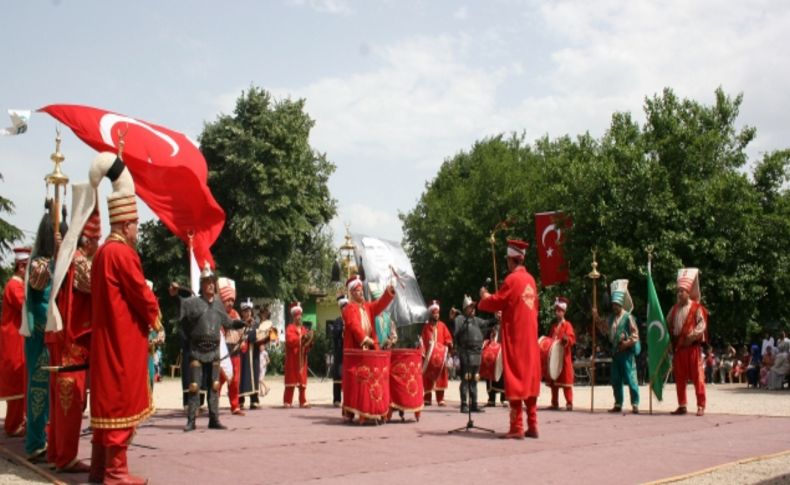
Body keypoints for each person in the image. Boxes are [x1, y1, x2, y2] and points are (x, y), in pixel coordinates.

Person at [87, 152, 160, 484]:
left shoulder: (102, 252)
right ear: (126, 223)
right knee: (119, 403)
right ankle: (115, 474)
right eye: (136, 226)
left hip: (105, 340)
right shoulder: (123, 253)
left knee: (106, 406)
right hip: (122, 341)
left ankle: (100, 469)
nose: (138, 231)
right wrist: (156, 319)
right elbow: (141, 295)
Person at [44, 195, 101, 473]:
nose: (98, 246)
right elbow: (100, 289)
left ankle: (57, 453)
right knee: (70, 402)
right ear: (87, 242)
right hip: (74, 342)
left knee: (60, 402)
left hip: (65, 340)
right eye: (96, 241)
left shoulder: (69, 258)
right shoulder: (80, 262)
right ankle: (66, 456)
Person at [478, 239, 541, 439]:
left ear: (510, 260)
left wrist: (484, 297)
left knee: (515, 377)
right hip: (530, 338)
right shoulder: (531, 280)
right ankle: (533, 424)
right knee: (529, 379)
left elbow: (497, 301)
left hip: (516, 337)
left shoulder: (512, 280)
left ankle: (516, 427)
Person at [21, 200, 68, 462]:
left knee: (56, 392)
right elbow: (39, 282)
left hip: (56, 337)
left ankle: (53, 439)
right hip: (40, 337)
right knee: (39, 389)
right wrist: (55, 260)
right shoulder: (38, 263)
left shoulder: (55, 262)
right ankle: (35, 443)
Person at [179, 265, 243, 432]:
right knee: (194, 386)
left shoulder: (219, 305)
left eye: (212, 282)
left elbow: (228, 323)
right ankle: (191, 420)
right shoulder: (192, 304)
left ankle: (214, 419)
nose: (210, 285)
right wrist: (190, 339)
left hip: (214, 350)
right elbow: (182, 323)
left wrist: (241, 323)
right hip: (197, 350)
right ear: (201, 284)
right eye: (207, 282)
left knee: (214, 385)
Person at [594, 279, 640, 415]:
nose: (614, 307)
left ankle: (635, 403)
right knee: (615, 380)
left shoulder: (628, 317)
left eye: (616, 304)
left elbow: (635, 335)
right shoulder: (610, 318)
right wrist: (596, 317)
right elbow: (604, 328)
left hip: (626, 353)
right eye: (613, 304)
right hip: (615, 353)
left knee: (631, 379)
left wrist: (627, 342)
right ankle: (618, 403)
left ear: (621, 304)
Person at [667, 268, 708, 416]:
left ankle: (701, 405)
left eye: (682, 291)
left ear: (688, 292)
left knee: (698, 378)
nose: (679, 294)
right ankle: (682, 405)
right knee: (680, 378)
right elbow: (668, 323)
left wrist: (692, 335)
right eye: (678, 291)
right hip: (679, 348)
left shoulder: (697, 308)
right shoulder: (674, 308)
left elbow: (702, 325)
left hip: (692, 348)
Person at [0, 247, 30, 438]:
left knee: (21, 379)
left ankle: (19, 419)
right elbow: (25, 305)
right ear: (21, 267)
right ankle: (13, 424)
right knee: (16, 381)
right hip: (13, 340)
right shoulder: (14, 286)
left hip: (18, 337)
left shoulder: (17, 285)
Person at [453, 295, 490, 413]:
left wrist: (496, 318)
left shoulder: (477, 320)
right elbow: (455, 331)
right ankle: (464, 404)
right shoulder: (460, 319)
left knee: (475, 379)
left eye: (474, 307)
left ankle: (474, 404)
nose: (473, 309)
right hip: (466, 353)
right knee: (466, 379)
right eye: (471, 307)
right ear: (465, 308)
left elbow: (487, 323)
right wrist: (454, 319)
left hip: (477, 354)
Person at [217, 277, 244, 415]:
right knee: (219, 380)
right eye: (228, 300)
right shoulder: (218, 314)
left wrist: (243, 342)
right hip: (223, 353)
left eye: (232, 300)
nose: (230, 302)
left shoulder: (236, 314)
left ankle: (235, 406)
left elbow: (241, 332)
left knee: (235, 381)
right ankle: (213, 405)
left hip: (235, 353)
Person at [545, 296, 576, 411]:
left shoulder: (567, 325)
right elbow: (549, 340)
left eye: (560, 311)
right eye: (556, 311)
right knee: (554, 379)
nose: (557, 313)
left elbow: (572, 338)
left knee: (566, 380)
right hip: (554, 357)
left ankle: (569, 402)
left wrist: (566, 339)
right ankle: (554, 403)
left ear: (564, 312)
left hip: (564, 356)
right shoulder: (553, 327)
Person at [421, 300, 453, 406]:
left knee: (441, 377)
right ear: (431, 314)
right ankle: (427, 398)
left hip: (440, 357)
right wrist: (423, 351)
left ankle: (440, 399)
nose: (436, 315)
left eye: (437, 313)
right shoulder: (426, 327)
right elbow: (422, 340)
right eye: (434, 313)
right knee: (428, 377)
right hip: (429, 357)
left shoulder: (442, 326)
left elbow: (448, 338)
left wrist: (448, 344)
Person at [283, 302, 313, 408]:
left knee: (302, 381)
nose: (298, 317)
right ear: (293, 317)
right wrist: (301, 339)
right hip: (292, 359)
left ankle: (303, 400)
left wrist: (309, 341)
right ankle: (287, 401)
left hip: (302, 359)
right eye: (296, 315)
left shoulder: (304, 329)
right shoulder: (290, 328)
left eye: (299, 315)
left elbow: (307, 344)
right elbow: (290, 341)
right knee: (291, 380)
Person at [239, 298, 261, 409]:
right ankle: (240, 400)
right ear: (242, 312)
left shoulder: (256, 325)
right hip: (242, 355)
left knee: (254, 376)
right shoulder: (239, 324)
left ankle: (254, 400)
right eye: (245, 311)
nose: (247, 313)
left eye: (248, 311)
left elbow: (259, 337)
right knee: (241, 376)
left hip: (254, 354)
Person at [483, 313, 507, 407]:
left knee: (503, 376)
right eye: (497, 312)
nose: (499, 314)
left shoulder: (507, 325)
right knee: (490, 377)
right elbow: (485, 338)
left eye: (501, 312)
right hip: (491, 355)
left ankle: (504, 398)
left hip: (502, 353)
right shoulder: (491, 325)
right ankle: (491, 399)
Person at [329, 295, 347, 406]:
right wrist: (342, 329)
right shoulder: (338, 321)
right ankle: (337, 399)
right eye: (344, 307)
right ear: (341, 309)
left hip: (349, 352)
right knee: (338, 375)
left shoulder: (351, 320)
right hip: (340, 352)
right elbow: (335, 335)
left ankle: (349, 399)